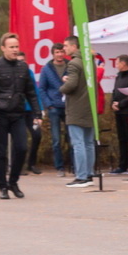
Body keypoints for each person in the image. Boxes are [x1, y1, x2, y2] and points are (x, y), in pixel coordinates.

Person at [0, 33, 41, 199]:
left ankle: (13, 182)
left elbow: (31, 93)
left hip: (18, 114)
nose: (15, 50)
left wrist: (37, 113)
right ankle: (3, 187)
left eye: (16, 47)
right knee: (1, 152)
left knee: (21, 148)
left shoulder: (24, 68)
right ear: (3, 48)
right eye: (11, 47)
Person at [59, 35, 95, 188]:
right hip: (89, 107)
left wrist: (62, 87)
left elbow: (72, 85)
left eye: (66, 46)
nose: (64, 49)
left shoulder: (74, 63)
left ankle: (81, 176)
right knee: (88, 143)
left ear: (74, 47)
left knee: (78, 143)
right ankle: (89, 173)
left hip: (76, 108)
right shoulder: (90, 62)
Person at [37, 43, 69, 176]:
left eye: (62, 52)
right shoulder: (47, 69)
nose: (60, 55)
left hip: (69, 107)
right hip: (54, 107)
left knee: (72, 138)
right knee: (56, 139)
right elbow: (42, 88)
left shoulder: (70, 65)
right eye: (57, 52)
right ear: (53, 54)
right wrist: (49, 105)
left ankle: (73, 166)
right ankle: (59, 167)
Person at [109, 54, 128, 174]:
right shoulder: (118, 76)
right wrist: (112, 102)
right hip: (118, 112)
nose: (116, 65)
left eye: (117, 63)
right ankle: (122, 165)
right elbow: (114, 91)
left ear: (123, 63)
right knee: (122, 139)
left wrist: (121, 104)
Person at [14, 51, 43, 175]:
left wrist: (39, 111)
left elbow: (35, 92)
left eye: (23, 60)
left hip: (30, 110)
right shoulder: (11, 73)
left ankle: (31, 163)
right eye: (19, 60)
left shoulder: (29, 73)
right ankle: (17, 165)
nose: (21, 63)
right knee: (19, 139)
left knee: (37, 135)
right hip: (17, 110)